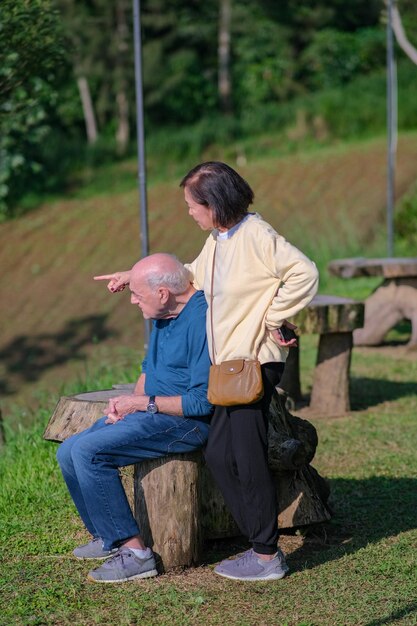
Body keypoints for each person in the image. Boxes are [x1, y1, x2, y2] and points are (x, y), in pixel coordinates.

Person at [95, 161, 319, 582]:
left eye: (192, 205)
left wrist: (274, 316)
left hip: (252, 362)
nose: (189, 213)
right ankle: (256, 542)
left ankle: (267, 556)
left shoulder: (256, 235)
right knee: (218, 453)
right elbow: (190, 274)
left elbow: (305, 273)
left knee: (246, 454)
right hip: (229, 368)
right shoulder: (221, 239)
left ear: (214, 203)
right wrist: (133, 275)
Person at [57, 253, 213, 583]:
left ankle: (137, 553)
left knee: (90, 452)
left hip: (184, 422)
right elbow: (148, 370)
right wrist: (126, 406)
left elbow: (201, 403)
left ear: (162, 293)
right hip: (149, 411)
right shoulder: (163, 311)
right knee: (68, 450)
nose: (132, 301)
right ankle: (107, 535)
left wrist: (143, 404)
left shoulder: (201, 320)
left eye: (137, 295)